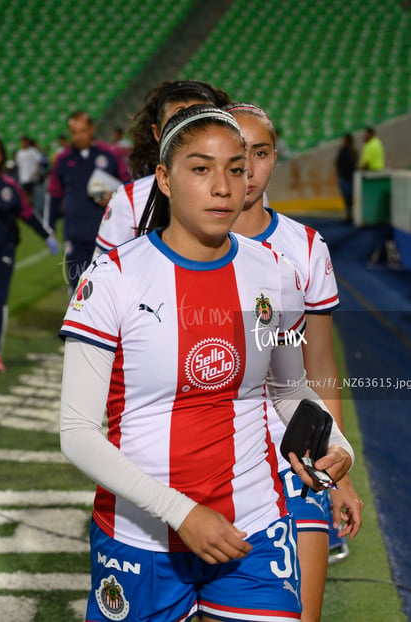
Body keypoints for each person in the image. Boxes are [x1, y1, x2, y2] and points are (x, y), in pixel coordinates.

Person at [60, 105, 354, 622]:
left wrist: (335, 443)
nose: (223, 186)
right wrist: (181, 513)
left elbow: (288, 390)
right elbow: (77, 432)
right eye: (201, 169)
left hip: (255, 529)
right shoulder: (112, 278)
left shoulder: (275, 273)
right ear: (165, 179)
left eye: (236, 169)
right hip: (141, 540)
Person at [224, 103, 363, 622]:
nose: (248, 168)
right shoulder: (184, 248)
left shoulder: (305, 248)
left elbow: (320, 365)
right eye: (236, 155)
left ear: (274, 159)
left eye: (260, 154)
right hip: (217, 463)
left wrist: (339, 469)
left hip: (295, 462)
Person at [94, 79, 231, 256]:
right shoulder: (130, 200)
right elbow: (103, 271)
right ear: (157, 133)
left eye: (202, 120)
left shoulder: (242, 191)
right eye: (177, 122)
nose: (192, 133)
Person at [46, 111, 131, 291]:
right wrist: (50, 228)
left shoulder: (109, 154)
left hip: (106, 234)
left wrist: (114, 197)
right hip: (74, 235)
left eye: (83, 131)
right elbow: (54, 194)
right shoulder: (62, 160)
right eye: (74, 132)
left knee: (107, 287)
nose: (78, 136)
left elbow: (128, 187)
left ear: (91, 129)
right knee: (77, 287)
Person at [0, 137, 58, 373]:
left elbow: (26, 213)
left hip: (4, 249)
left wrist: (46, 235)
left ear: (2, 156)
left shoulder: (9, 187)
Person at [335, 133, 357, 222]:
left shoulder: (351, 151)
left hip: (347, 177)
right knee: (347, 197)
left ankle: (350, 215)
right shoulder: (347, 151)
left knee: (349, 197)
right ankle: (349, 214)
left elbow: (339, 163)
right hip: (346, 177)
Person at [14, 135, 42, 204]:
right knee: (24, 197)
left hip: (32, 178)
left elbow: (39, 162)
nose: (23, 143)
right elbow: (18, 165)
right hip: (23, 178)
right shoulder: (19, 153)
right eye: (22, 141)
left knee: (33, 197)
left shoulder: (33, 151)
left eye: (25, 141)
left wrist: (35, 172)